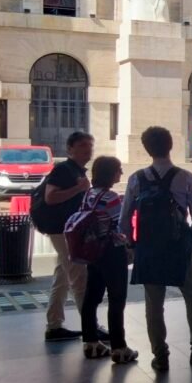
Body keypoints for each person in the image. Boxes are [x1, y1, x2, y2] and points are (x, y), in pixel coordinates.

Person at [121, 126, 192, 373]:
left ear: (147, 149)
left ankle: (160, 354)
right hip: (179, 246)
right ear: (170, 145)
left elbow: (124, 219)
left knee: (154, 302)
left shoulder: (136, 179)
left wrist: (130, 245)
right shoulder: (185, 177)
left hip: (148, 247)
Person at [77, 156, 138, 364]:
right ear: (109, 173)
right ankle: (119, 347)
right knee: (116, 299)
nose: (121, 173)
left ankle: (91, 342)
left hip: (93, 251)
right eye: (118, 170)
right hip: (112, 251)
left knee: (91, 297)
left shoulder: (88, 195)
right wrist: (129, 244)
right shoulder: (111, 197)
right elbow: (120, 225)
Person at [42, 131, 94, 342]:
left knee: (63, 277)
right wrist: (77, 188)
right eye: (82, 145)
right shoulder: (64, 169)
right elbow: (50, 197)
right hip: (63, 229)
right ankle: (91, 329)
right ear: (70, 149)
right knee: (79, 277)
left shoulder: (76, 170)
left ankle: (54, 325)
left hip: (68, 229)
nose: (88, 150)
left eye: (89, 146)